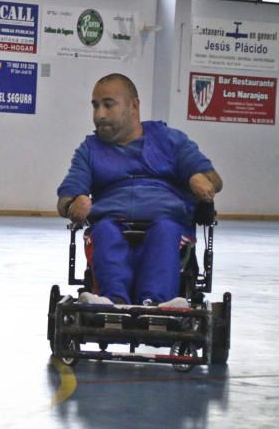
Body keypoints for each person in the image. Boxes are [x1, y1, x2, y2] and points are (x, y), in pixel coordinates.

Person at [56, 73, 222, 307]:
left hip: (167, 221)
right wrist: (74, 203)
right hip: (111, 221)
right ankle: (112, 300)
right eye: (95, 106)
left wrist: (200, 179)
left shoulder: (169, 140)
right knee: (103, 231)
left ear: (134, 105)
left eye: (108, 105)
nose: (99, 115)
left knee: (165, 230)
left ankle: (157, 302)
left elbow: (215, 179)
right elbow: (65, 198)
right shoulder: (89, 150)